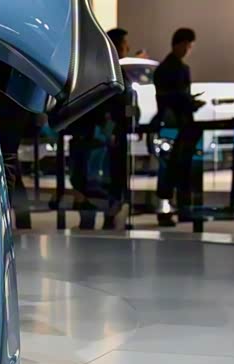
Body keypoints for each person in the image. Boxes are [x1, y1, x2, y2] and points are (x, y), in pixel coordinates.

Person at [153, 27, 205, 226]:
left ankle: (174, 209)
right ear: (181, 44)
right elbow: (171, 97)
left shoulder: (168, 68)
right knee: (175, 168)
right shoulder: (174, 69)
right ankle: (177, 209)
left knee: (175, 168)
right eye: (188, 46)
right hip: (176, 124)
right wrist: (189, 102)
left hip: (175, 123)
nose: (188, 50)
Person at [101, 27, 136, 229]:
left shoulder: (116, 69)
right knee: (112, 176)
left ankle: (113, 215)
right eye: (124, 43)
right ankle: (110, 215)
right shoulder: (109, 71)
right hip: (113, 133)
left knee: (117, 175)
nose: (128, 48)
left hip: (119, 131)